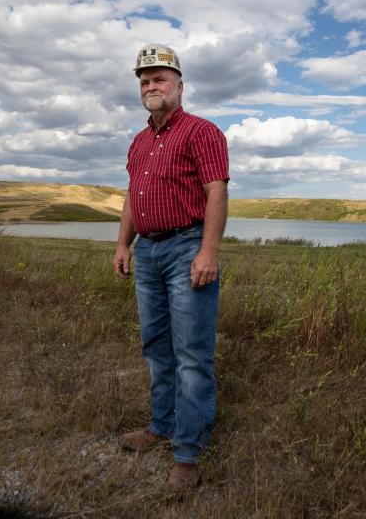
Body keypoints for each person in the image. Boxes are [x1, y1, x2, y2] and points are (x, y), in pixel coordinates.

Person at [112, 43, 229, 492]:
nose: (151, 86)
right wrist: (124, 244)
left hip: (186, 248)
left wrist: (208, 252)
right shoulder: (140, 141)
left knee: (192, 354)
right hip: (149, 252)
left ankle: (188, 453)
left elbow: (216, 192)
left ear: (179, 86)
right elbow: (131, 198)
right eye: (144, 81)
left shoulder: (201, 131)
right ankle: (159, 425)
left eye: (160, 79)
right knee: (156, 346)